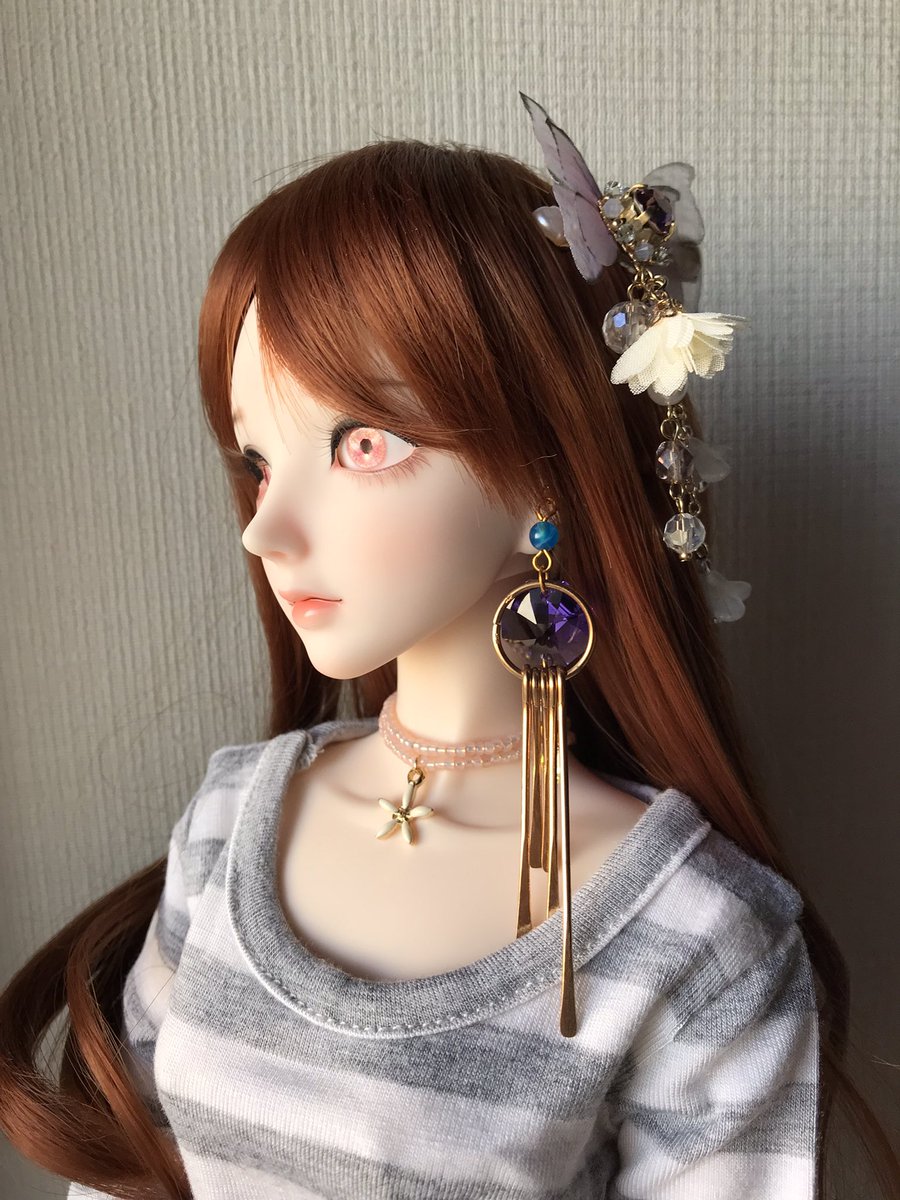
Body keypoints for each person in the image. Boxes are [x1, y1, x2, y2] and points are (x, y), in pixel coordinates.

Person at [0, 108, 897, 1200]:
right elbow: (127, 1170)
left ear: (547, 471)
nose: (265, 530)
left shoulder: (699, 939)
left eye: (362, 443)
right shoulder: (230, 821)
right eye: (257, 459)